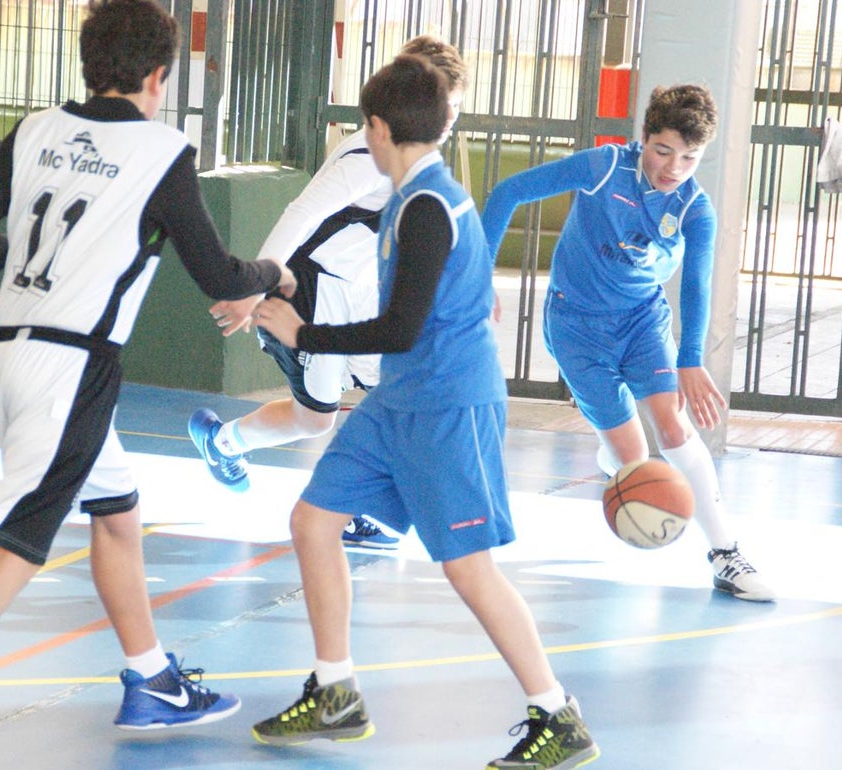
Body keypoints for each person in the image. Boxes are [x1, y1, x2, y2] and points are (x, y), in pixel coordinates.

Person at [0, 2, 295, 768]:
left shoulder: (35, 129)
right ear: (158, 75)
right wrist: (275, 275)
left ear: (88, 62)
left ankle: (152, 681)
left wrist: (29, 267)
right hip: (73, 368)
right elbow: (219, 275)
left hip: (14, 354)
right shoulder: (162, 152)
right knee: (15, 547)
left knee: (117, 511)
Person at [249, 54, 600, 770]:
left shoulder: (427, 208)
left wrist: (303, 334)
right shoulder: (417, 195)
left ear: (378, 128)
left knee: (468, 567)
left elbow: (401, 328)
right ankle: (336, 691)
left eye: (365, 127)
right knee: (314, 519)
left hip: (447, 405)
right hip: (398, 401)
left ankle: (557, 714)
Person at [480, 84, 774, 602]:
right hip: (576, 327)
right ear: (643, 139)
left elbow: (696, 284)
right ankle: (613, 456)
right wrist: (477, 274)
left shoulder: (694, 209)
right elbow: (508, 192)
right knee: (635, 466)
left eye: (690, 157)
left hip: (642, 322)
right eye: (663, 151)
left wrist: (690, 360)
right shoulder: (603, 168)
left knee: (674, 429)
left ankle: (725, 553)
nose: (674, 167)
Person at [186, 36, 467, 550]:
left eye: (452, 107)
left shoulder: (417, 155)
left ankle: (375, 514)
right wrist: (256, 284)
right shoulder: (366, 158)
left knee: (398, 394)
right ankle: (225, 443)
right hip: (311, 291)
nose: (447, 118)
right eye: (440, 104)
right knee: (315, 419)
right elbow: (303, 211)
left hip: (356, 293)